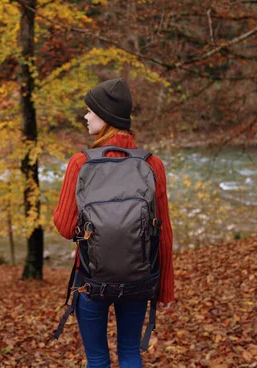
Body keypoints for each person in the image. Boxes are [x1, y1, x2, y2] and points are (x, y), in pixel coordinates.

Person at [53, 78, 174, 368]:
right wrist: (165, 287)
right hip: (139, 279)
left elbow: (66, 227)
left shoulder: (81, 163)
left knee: (97, 359)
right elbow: (163, 231)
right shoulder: (151, 164)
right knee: (130, 353)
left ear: (105, 117)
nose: (85, 116)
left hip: (91, 280)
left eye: (90, 111)